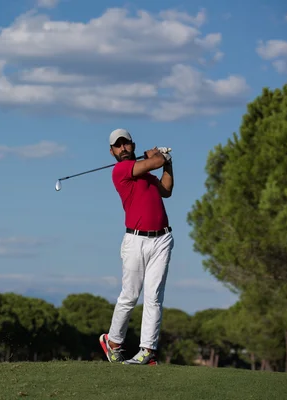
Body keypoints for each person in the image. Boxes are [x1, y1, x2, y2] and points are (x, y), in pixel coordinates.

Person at [99, 128, 174, 366]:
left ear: (132, 145)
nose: (122, 148)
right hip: (135, 240)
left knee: (154, 298)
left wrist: (167, 165)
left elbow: (167, 190)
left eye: (126, 144)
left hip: (162, 239)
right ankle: (112, 342)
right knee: (130, 296)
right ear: (112, 152)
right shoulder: (120, 170)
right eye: (117, 146)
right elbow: (156, 161)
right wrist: (157, 156)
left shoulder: (146, 173)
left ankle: (147, 350)